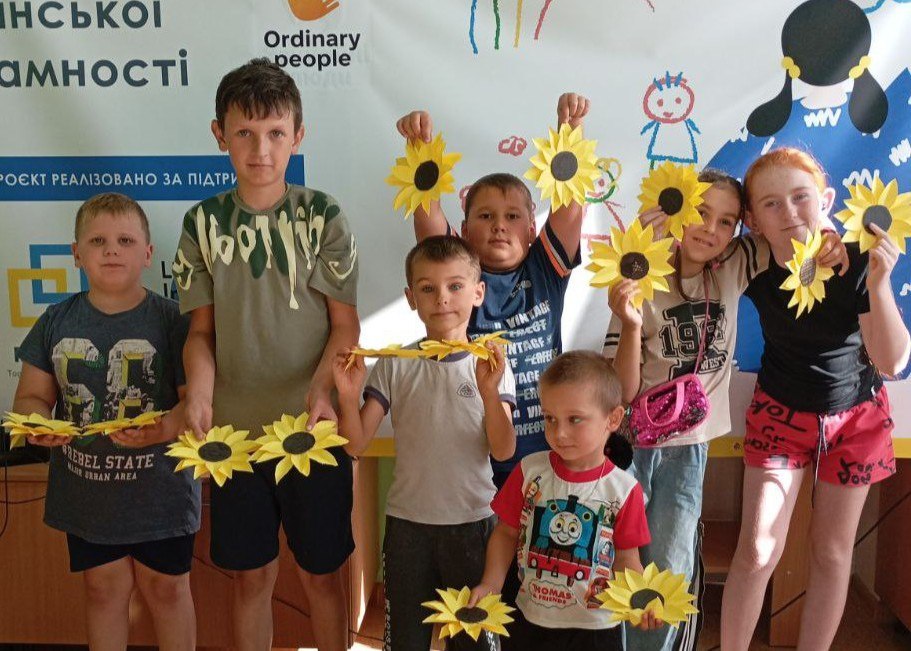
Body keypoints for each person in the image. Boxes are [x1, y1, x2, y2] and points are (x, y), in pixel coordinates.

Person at [173, 58, 359, 651]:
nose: (261, 149)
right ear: (219, 134)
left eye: (276, 132)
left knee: (323, 577)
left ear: (297, 135)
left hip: (314, 432)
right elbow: (200, 334)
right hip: (235, 439)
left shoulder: (323, 215)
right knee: (251, 578)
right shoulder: (201, 222)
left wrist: (321, 392)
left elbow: (345, 328)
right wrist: (200, 396)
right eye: (245, 133)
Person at [720, 147, 909, 650]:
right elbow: (694, 255)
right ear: (753, 221)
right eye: (771, 204)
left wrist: (878, 282)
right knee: (757, 551)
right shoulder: (752, 262)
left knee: (832, 552)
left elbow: (892, 361)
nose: (789, 212)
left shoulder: (855, 256)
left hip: (856, 419)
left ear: (825, 199)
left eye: (800, 197)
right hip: (780, 413)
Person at [13, 192, 199, 651]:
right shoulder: (55, 320)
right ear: (76, 253)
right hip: (88, 498)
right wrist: (38, 424)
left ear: (148, 253)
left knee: (167, 591)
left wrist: (163, 428)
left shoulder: (174, 321)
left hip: (161, 495)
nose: (111, 250)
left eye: (125, 240)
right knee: (102, 590)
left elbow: (193, 404)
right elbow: (32, 396)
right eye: (97, 241)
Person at [395, 93, 591, 488]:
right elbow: (428, 220)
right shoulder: (458, 274)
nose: (499, 225)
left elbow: (570, 207)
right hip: (474, 453)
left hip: (546, 452)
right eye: (485, 216)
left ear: (531, 230)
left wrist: (569, 134)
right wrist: (420, 152)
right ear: (465, 232)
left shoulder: (545, 268)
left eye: (512, 216)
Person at [333, 235, 516, 651]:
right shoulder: (395, 364)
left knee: (472, 641)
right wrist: (346, 395)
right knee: (405, 641)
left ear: (477, 292)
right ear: (411, 298)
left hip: (473, 525)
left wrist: (489, 393)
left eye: (455, 286)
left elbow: (504, 450)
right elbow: (354, 445)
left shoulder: (490, 364)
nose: (442, 298)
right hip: (408, 527)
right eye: (428, 288)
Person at [470, 351, 658, 651]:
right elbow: (506, 533)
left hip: (596, 629)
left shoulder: (624, 490)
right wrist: (491, 583)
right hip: (529, 621)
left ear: (613, 419)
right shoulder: (529, 471)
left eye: (575, 419)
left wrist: (640, 598)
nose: (559, 432)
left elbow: (627, 558)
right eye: (550, 418)